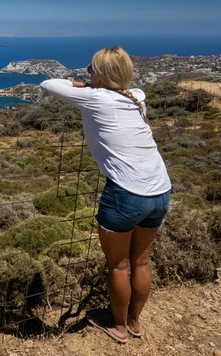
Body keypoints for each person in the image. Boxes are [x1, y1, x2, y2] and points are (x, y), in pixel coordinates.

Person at [40, 46, 171, 344]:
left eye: (90, 68)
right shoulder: (136, 96)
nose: (88, 72)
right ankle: (135, 322)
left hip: (126, 192)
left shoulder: (95, 97)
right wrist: (98, 81)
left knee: (119, 265)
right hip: (161, 190)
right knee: (140, 261)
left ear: (99, 73)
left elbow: (48, 84)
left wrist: (86, 84)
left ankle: (120, 327)